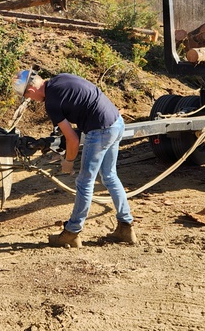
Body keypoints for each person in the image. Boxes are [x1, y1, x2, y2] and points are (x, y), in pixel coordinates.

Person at [14, 69, 136, 248]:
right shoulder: (60, 79)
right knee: (109, 175)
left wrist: (68, 162)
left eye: (28, 97)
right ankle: (126, 228)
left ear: (30, 91)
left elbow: (73, 139)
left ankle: (72, 232)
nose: (31, 100)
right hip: (116, 122)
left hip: (100, 130)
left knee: (84, 181)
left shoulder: (52, 103)